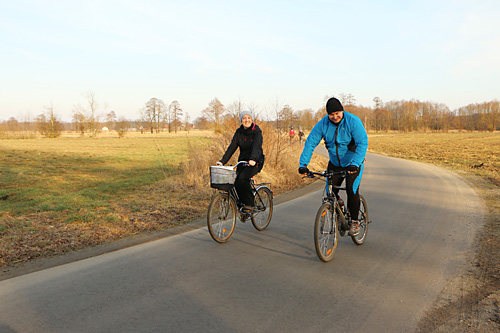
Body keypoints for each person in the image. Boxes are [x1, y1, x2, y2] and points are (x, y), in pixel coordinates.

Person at [298, 97, 368, 236]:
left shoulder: (353, 121)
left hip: (353, 163)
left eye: (337, 113)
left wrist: (355, 163)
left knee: (351, 189)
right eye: (331, 114)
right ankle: (339, 212)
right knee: (330, 193)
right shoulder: (322, 125)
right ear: (327, 114)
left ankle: (354, 221)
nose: (335, 117)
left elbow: (362, 143)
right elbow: (310, 143)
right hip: (335, 163)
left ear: (342, 110)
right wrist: (303, 164)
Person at [219, 111, 265, 212]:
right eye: (244, 118)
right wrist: (222, 161)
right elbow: (232, 147)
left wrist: (253, 159)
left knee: (243, 178)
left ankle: (250, 204)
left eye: (248, 118)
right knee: (235, 181)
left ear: (251, 119)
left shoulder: (256, 131)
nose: (246, 120)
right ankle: (242, 204)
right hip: (242, 161)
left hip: (256, 161)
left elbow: (257, 146)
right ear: (241, 120)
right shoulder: (239, 132)